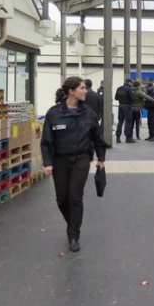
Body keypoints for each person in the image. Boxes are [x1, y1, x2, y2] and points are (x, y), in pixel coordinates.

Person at [41, 76, 106, 253]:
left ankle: (74, 235)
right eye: (82, 88)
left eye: (86, 88)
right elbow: (47, 141)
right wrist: (47, 163)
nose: (86, 91)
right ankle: (73, 223)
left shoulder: (89, 113)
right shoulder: (54, 113)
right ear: (71, 91)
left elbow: (98, 138)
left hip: (81, 159)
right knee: (62, 199)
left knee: (75, 196)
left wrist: (101, 159)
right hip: (60, 160)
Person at [114, 78, 135, 143]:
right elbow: (132, 98)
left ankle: (118, 137)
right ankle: (128, 137)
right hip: (127, 106)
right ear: (129, 83)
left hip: (120, 106)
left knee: (120, 121)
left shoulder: (119, 88)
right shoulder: (129, 89)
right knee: (128, 121)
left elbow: (116, 98)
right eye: (131, 83)